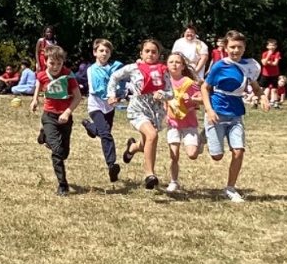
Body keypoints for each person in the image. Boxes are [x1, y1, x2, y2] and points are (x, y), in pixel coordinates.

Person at [204, 30, 264, 202]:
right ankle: (204, 135)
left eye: (239, 47)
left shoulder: (249, 66)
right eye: (232, 47)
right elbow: (205, 88)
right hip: (217, 114)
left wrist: (263, 96)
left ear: (244, 48)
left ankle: (230, 188)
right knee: (217, 156)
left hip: (236, 116)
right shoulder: (219, 66)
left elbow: (255, 87)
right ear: (225, 48)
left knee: (238, 151)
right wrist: (209, 110)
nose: (236, 50)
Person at [109, 39, 169, 190]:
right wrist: (111, 94)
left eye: (154, 52)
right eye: (147, 51)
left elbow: (171, 92)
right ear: (141, 53)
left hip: (155, 111)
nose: (150, 54)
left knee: (147, 141)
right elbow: (115, 77)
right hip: (138, 108)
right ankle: (149, 175)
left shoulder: (163, 70)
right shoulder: (133, 68)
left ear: (158, 55)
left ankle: (132, 148)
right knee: (152, 135)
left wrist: (162, 94)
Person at [29, 44, 81, 195]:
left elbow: (77, 97)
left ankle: (44, 135)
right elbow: (39, 83)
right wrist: (35, 100)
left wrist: (67, 113)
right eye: (52, 63)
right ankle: (63, 185)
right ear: (45, 61)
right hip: (49, 116)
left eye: (59, 63)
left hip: (65, 118)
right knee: (57, 151)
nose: (56, 67)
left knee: (64, 153)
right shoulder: (42, 75)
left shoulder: (68, 75)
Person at [82, 38, 124, 184]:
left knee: (103, 133)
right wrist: (110, 97)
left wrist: (119, 95)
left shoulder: (116, 68)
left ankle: (89, 126)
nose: (104, 53)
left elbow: (122, 83)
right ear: (95, 52)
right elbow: (96, 89)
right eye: (101, 50)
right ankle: (111, 165)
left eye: (107, 51)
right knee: (106, 134)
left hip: (109, 107)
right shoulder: (91, 70)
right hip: (96, 106)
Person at [162, 51, 203, 193]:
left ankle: (201, 141)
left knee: (192, 155)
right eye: (171, 62)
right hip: (172, 123)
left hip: (189, 123)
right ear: (167, 65)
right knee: (174, 155)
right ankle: (174, 181)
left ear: (183, 66)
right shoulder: (164, 82)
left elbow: (202, 99)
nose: (174, 64)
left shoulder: (189, 83)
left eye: (178, 62)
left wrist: (192, 99)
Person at [259, 39, 285, 108]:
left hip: (274, 74)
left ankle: (276, 102)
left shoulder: (277, 53)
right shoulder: (264, 54)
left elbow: (275, 63)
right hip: (265, 74)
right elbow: (264, 63)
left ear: (276, 46)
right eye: (270, 45)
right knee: (261, 88)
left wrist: (267, 62)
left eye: (273, 45)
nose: (271, 47)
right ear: (267, 46)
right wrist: (268, 55)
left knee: (274, 89)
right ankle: (256, 100)